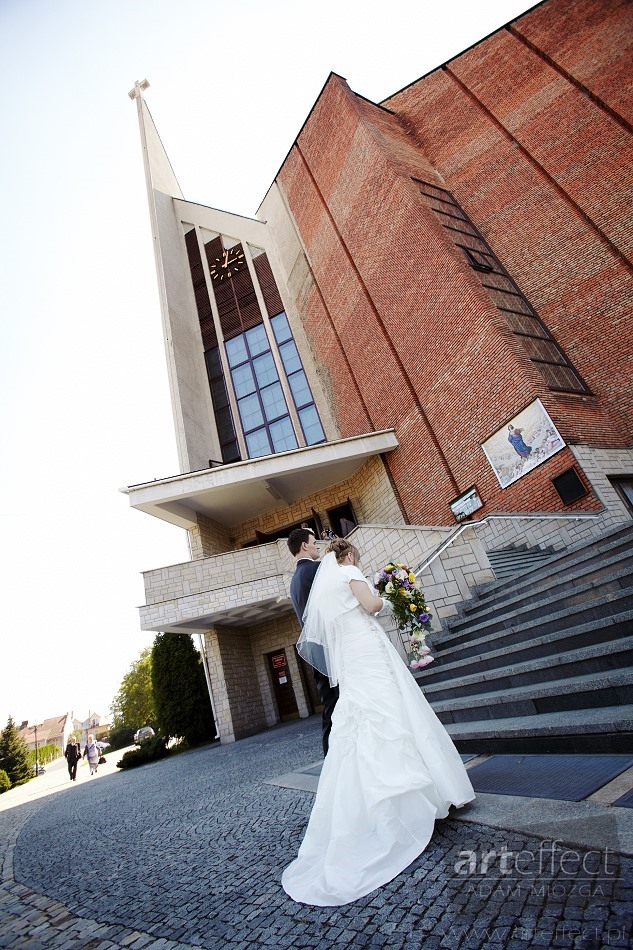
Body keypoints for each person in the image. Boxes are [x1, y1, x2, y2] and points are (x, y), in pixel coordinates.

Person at [282, 538, 475, 906]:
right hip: (367, 650)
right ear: (350, 555)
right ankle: (424, 797)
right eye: (358, 556)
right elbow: (370, 605)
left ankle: (380, 805)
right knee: (392, 711)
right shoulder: (348, 571)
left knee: (365, 719)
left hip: (352, 660)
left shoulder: (324, 583)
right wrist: (390, 599)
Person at [287, 527, 339, 756]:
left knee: (330, 707)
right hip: (330, 650)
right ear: (304, 546)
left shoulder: (295, 580)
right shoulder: (316, 570)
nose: (317, 544)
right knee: (337, 707)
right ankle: (335, 761)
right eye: (313, 541)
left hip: (315, 652)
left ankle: (333, 757)